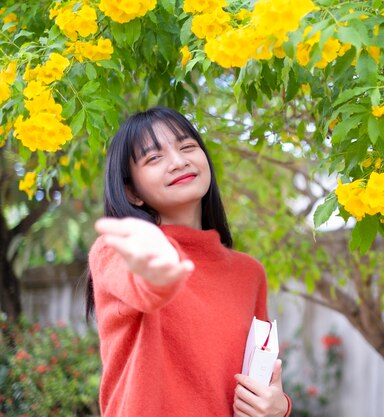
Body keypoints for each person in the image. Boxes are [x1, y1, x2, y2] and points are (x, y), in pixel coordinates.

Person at [85, 106, 291, 417]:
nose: (178, 161)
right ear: (132, 192)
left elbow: (257, 380)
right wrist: (159, 269)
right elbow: (146, 284)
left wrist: (278, 406)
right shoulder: (121, 250)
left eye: (187, 147)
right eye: (154, 158)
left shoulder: (249, 273)